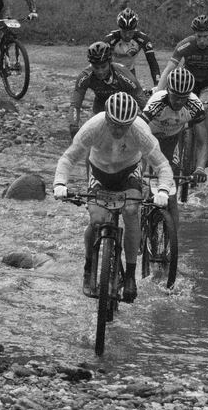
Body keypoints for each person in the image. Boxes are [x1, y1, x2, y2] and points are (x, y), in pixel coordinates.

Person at [53, 92, 174, 303]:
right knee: (97, 220)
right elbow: (68, 158)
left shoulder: (140, 131)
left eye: (124, 126)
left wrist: (163, 191)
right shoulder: (93, 127)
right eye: (114, 124)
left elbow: (162, 165)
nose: (119, 130)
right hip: (99, 174)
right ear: (107, 117)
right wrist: (60, 184)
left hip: (129, 174)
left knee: (130, 211)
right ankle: (89, 266)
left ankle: (129, 275)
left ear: (131, 122)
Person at [156, 14, 208, 165]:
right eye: (199, 36)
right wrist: (159, 91)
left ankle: (206, 146)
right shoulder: (185, 45)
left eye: (205, 36)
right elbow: (169, 69)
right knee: (177, 109)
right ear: (194, 34)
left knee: (204, 110)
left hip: (207, 85)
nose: (202, 40)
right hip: (186, 84)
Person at [141, 66, 208, 227]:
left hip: (172, 140)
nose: (179, 102)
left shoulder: (195, 105)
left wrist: (199, 168)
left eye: (183, 97)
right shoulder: (157, 102)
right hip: (149, 139)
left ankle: (172, 245)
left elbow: (202, 142)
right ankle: (139, 224)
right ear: (168, 90)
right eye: (175, 96)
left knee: (171, 197)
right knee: (144, 187)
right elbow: (137, 133)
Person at [69, 41, 148, 138]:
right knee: (96, 138)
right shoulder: (85, 76)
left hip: (122, 106)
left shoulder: (123, 74)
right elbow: (75, 105)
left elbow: (142, 101)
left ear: (110, 62)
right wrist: (74, 126)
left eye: (103, 66)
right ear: (91, 65)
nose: (100, 71)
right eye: (96, 67)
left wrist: (146, 124)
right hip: (100, 107)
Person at [102, 8, 161, 87]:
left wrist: (157, 84)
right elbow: (101, 62)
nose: (127, 35)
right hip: (112, 72)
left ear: (135, 29)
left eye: (130, 32)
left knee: (136, 97)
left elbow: (152, 62)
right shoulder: (110, 40)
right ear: (119, 28)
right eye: (124, 31)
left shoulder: (142, 39)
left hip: (130, 72)